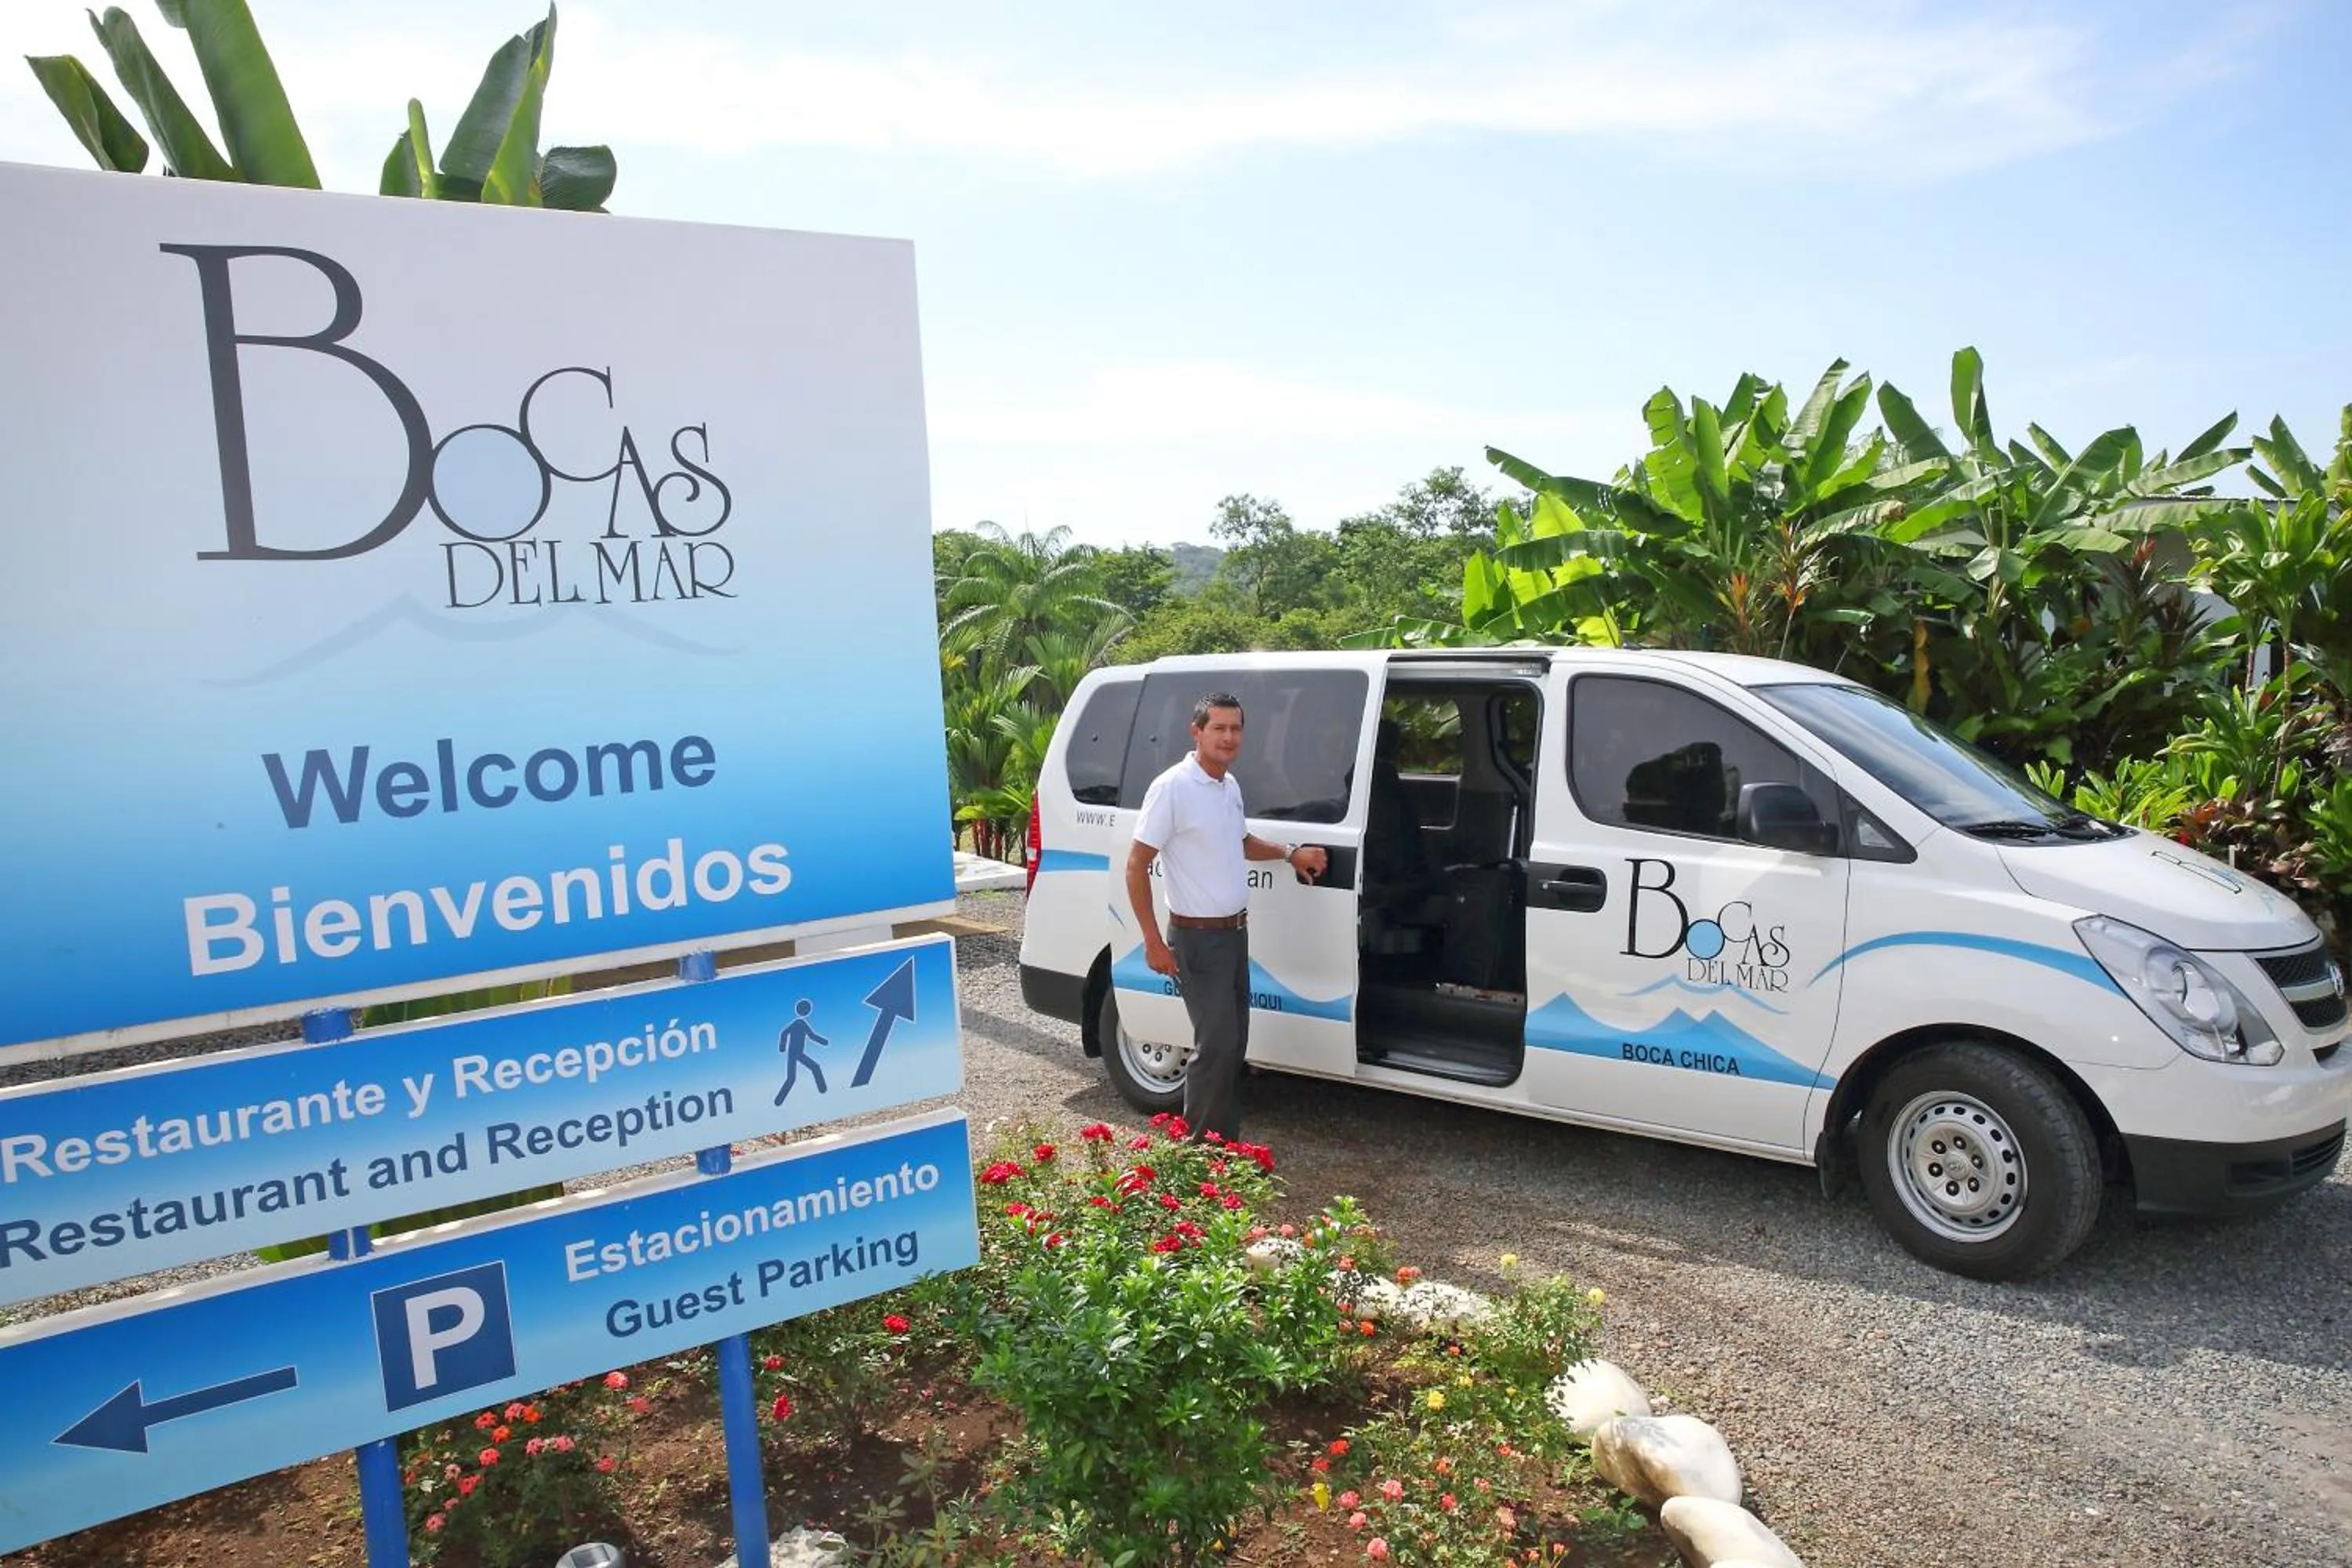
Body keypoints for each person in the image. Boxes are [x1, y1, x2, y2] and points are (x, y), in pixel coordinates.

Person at [1125, 692, 1329, 1140]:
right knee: (1215, 1046)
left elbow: (1240, 842)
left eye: (1236, 729)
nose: (1229, 737)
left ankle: (1223, 1148)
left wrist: (1289, 853)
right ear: (1196, 731)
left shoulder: (1227, 785)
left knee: (1233, 1045)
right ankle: (1201, 1157)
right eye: (1218, 728)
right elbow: (1136, 863)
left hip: (1234, 936)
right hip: (1197, 940)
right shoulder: (1173, 787)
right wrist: (1153, 941)